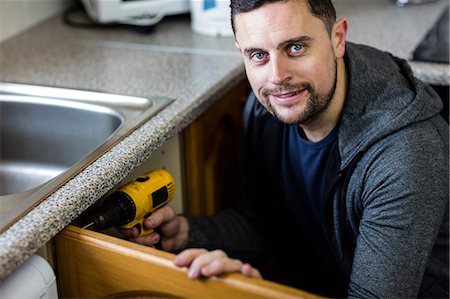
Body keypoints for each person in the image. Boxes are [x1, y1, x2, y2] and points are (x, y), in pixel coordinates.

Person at [122, 0, 449, 297]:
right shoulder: (266, 110)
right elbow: (260, 226)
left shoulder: (405, 154)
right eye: (258, 55)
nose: (277, 77)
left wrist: (258, 293)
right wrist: (186, 233)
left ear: (337, 38)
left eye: (295, 48)